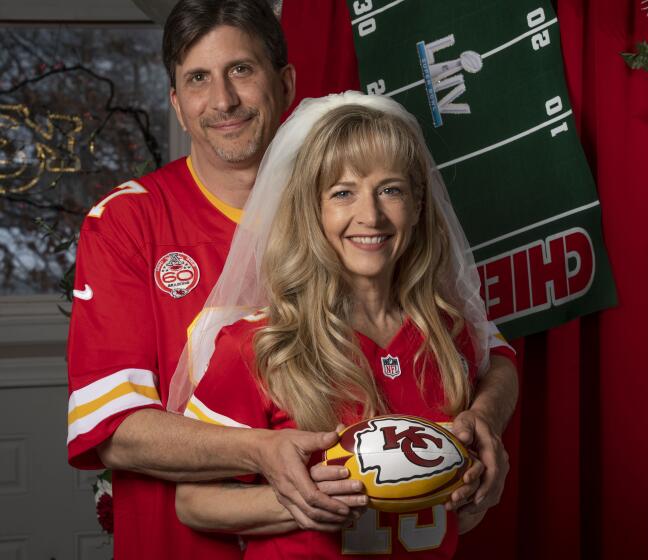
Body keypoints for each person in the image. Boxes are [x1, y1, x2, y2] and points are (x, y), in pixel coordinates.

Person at [66, 0, 518, 558]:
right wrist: (261, 453)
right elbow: (114, 428)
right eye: (199, 79)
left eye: (241, 70)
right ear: (177, 105)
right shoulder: (129, 222)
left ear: (285, 83)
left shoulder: (352, 217)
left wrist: (481, 429)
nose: (224, 100)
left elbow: (484, 350)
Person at [173, 92, 514, 558]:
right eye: (343, 193)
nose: (370, 215)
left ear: (417, 204)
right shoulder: (259, 345)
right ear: (313, 210)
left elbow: (502, 366)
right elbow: (193, 503)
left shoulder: (448, 332)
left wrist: (474, 478)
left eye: (390, 189)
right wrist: (298, 501)